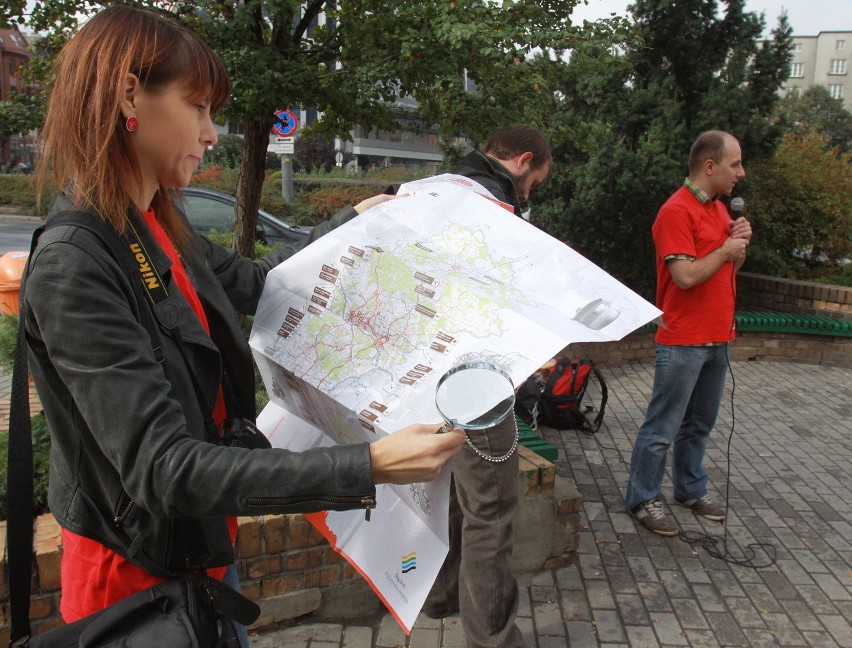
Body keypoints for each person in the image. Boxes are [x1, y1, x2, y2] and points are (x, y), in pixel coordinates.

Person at [22, 5, 464, 646]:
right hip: (135, 584)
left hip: (201, 547)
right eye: (197, 107)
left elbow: (269, 283)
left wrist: (355, 220)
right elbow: (163, 470)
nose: (211, 132)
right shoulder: (77, 264)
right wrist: (367, 465)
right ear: (127, 95)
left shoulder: (152, 221)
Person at [423, 124, 551, 648]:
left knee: (454, 492)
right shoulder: (493, 212)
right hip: (477, 383)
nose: (530, 195)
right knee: (491, 511)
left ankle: (444, 594)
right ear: (521, 161)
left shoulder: (439, 189)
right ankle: (492, 638)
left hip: (428, 376)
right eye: (534, 183)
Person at [623, 130, 751, 536]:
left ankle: (689, 489)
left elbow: (727, 270)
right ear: (709, 166)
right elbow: (685, 275)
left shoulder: (718, 211)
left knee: (699, 425)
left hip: (717, 339)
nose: (741, 173)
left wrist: (738, 249)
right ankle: (643, 498)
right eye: (735, 164)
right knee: (661, 428)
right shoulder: (676, 212)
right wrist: (727, 251)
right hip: (683, 341)